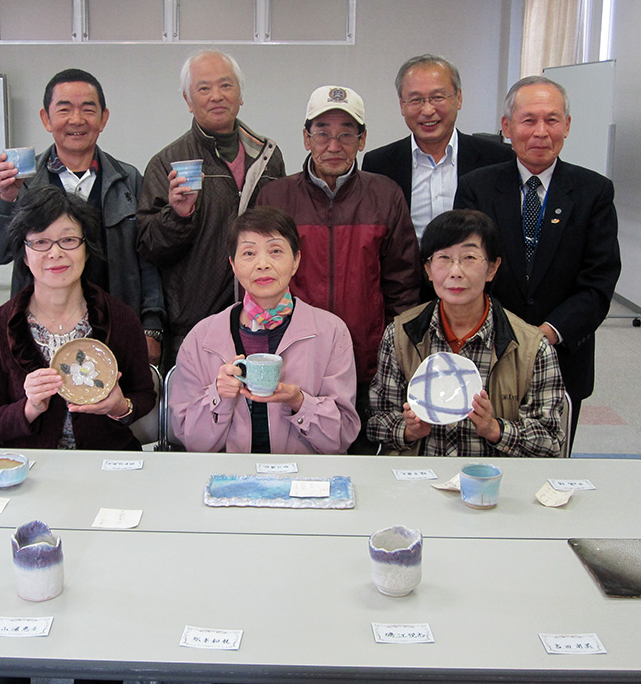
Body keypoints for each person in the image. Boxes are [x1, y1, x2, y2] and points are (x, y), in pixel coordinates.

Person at [455, 76, 621, 454]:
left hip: (563, 354)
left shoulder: (594, 192)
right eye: (529, 120)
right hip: (488, 352)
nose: (541, 132)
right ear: (507, 126)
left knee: (548, 459)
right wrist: (506, 335)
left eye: (552, 119)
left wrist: (544, 335)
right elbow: (464, 269)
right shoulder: (476, 187)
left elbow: (599, 282)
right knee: (482, 453)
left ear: (567, 125)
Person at [256, 85, 420, 434]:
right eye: (323, 134)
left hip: (366, 360)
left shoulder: (385, 194)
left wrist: (393, 352)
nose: (334, 146)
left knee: (358, 456)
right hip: (292, 360)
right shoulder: (276, 196)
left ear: (362, 140)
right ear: (306, 138)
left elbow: (403, 284)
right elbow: (257, 281)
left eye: (346, 134)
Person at [0, 68, 165, 364]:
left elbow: (148, 260)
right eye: (64, 109)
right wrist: (7, 198)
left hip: (116, 331)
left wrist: (152, 327)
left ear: (103, 118)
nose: (76, 119)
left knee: (113, 408)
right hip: (37, 336)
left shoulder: (128, 180)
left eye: (88, 109)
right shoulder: (21, 182)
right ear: (46, 118)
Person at [0, 186, 155, 453]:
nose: (55, 253)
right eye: (40, 242)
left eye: (68, 241)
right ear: (24, 254)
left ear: (87, 248)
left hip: (103, 464)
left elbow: (144, 396)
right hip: (28, 466)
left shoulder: (120, 318)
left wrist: (120, 406)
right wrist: (29, 407)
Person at [368, 209, 565, 457]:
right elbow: (375, 423)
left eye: (469, 257)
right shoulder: (401, 335)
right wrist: (407, 430)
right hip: (419, 481)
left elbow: (551, 441)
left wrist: (496, 430)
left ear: (492, 268)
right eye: (444, 258)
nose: (456, 271)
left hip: (495, 484)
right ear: (428, 270)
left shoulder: (532, 347)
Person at [137, 49, 285, 368]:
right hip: (193, 327)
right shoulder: (167, 163)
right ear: (188, 101)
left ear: (240, 94)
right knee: (198, 416)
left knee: (259, 414)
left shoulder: (269, 157)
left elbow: (283, 237)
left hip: (262, 322)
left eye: (226, 85)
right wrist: (178, 214)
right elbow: (148, 248)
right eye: (204, 88)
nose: (216, 96)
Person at [170, 206, 359, 454]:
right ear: (233, 265)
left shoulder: (332, 332)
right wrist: (218, 395)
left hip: (304, 477)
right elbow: (189, 440)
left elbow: (343, 436)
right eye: (249, 253)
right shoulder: (201, 337)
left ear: (296, 261)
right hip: (229, 479)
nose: (262, 264)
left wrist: (298, 401)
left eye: (276, 251)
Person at [363, 54, 515, 245]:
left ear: (458, 98)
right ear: (402, 105)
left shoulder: (497, 158)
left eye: (437, 97)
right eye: (416, 100)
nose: (427, 110)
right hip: (407, 273)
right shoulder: (379, 164)